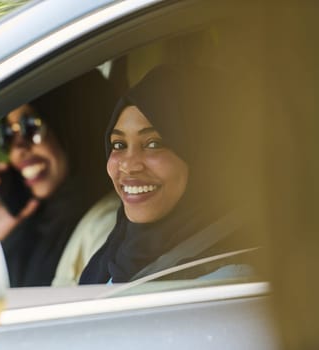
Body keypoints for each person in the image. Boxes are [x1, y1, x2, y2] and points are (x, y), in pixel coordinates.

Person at [80, 64, 260, 284]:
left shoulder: (229, 278)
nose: (128, 165)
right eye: (119, 145)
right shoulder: (116, 254)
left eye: (153, 143)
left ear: (204, 158)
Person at [0, 69, 117, 287]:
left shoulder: (109, 226)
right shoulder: (34, 222)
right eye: (8, 134)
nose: (17, 149)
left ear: (75, 126)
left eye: (31, 127)